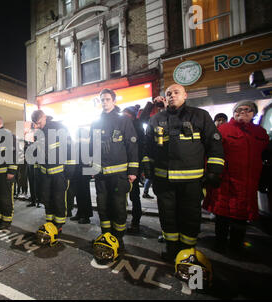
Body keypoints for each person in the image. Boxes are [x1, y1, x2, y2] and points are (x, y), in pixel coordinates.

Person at [144, 84, 225, 262]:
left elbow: (215, 144)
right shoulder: (156, 119)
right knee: (167, 217)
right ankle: (171, 249)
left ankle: (187, 252)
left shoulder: (200, 115)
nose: (172, 95)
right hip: (164, 181)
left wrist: (214, 171)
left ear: (185, 95)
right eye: (168, 93)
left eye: (176, 92)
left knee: (190, 218)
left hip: (191, 182)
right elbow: (148, 148)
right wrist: (147, 166)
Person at [203, 101, 269, 254]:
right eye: (239, 110)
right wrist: (211, 173)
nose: (243, 112)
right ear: (234, 113)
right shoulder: (223, 130)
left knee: (241, 217)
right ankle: (219, 243)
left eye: (247, 110)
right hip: (226, 181)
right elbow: (211, 153)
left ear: (253, 113)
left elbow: (264, 154)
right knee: (222, 217)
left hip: (248, 183)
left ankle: (236, 246)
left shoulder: (260, 133)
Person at [90, 88, 139, 249]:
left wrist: (133, 171)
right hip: (101, 175)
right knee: (102, 206)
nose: (104, 102)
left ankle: (118, 239)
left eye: (107, 99)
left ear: (114, 101)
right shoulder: (96, 122)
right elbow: (92, 147)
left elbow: (131, 145)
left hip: (119, 175)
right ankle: (106, 236)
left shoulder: (123, 121)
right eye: (102, 100)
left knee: (118, 207)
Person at [31, 109, 75, 233]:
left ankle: (59, 225)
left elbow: (70, 148)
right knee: (46, 199)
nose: (38, 126)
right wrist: (37, 171)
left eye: (39, 123)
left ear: (44, 117)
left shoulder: (59, 127)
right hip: (44, 174)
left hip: (59, 173)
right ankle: (49, 223)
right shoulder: (37, 133)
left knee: (58, 199)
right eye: (36, 124)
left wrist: (69, 171)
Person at [123, 106, 145, 234]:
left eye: (126, 114)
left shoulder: (137, 127)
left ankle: (135, 222)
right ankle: (122, 220)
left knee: (134, 196)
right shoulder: (124, 126)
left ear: (132, 115)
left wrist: (138, 169)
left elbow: (139, 149)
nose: (124, 116)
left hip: (133, 169)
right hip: (122, 168)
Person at [69, 127, 93, 224]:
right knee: (79, 194)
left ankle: (86, 216)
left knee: (84, 194)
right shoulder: (77, 144)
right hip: (77, 171)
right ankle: (80, 212)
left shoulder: (87, 144)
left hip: (84, 171)